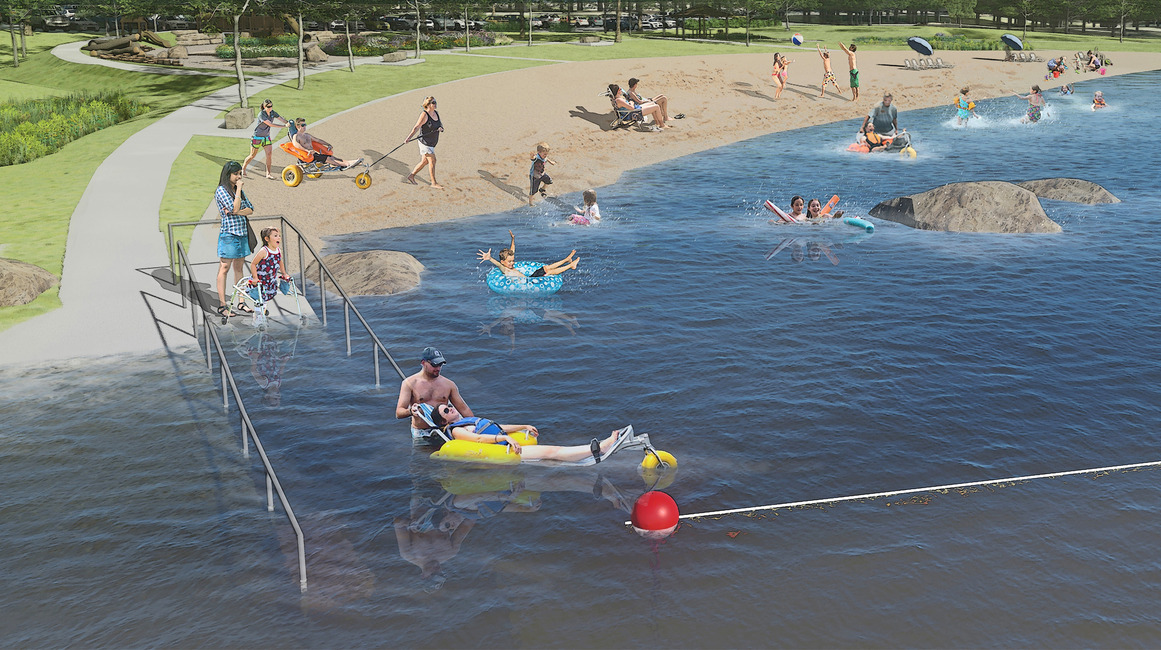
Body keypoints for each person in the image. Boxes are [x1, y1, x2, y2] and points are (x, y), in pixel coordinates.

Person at [429, 402, 634, 463]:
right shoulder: (457, 431)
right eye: (446, 410)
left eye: (449, 405)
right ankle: (599, 447)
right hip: (505, 450)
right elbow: (480, 438)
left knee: (551, 452)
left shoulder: (468, 420)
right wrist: (505, 438)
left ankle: (595, 448)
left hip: (506, 442)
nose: (451, 408)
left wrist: (522, 426)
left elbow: (496, 427)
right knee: (552, 451)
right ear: (444, 421)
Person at [395, 346, 474, 442]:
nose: (438, 368)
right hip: (422, 432)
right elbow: (399, 413)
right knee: (423, 457)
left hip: (444, 429)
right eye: (434, 365)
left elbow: (464, 409)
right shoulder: (409, 383)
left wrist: (475, 425)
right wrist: (411, 411)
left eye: (440, 365)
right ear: (423, 363)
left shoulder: (449, 384)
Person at [214, 160, 253, 319]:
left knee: (239, 268)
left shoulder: (238, 191)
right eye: (236, 174)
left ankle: (241, 301)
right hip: (229, 235)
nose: (238, 177)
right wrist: (239, 192)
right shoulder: (222, 191)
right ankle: (222, 305)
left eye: (240, 174)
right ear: (228, 174)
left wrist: (237, 211)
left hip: (242, 234)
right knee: (224, 268)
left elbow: (250, 209)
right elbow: (235, 208)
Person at [477, 229, 578, 278]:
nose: (512, 263)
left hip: (529, 278)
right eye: (509, 262)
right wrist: (490, 258)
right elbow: (498, 264)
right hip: (530, 282)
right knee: (548, 271)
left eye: (512, 261)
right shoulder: (504, 269)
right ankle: (570, 265)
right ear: (503, 262)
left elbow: (512, 251)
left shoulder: (509, 265)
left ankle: (566, 260)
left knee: (546, 268)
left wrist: (513, 239)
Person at [241, 98, 289, 180]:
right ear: (264, 106)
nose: (270, 108)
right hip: (257, 137)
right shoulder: (261, 114)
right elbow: (270, 124)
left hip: (266, 137)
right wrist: (284, 126)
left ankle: (268, 174)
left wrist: (288, 123)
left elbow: (282, 119)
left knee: (269, 154)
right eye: (268, 106)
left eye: (271, 106)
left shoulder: (273, 113)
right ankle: (243, 168)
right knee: (252, 155)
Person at [403, 96, 444, 188]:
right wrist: (408, 138)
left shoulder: (436, 113)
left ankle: (411, 176)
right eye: (433, 103)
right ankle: (434, 183)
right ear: (428, 105)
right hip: (425, 143)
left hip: (432, 143)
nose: (435, 104)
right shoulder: (424, 115)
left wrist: (440, 128)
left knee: (424, 161)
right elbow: (416, 127)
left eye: (435, 102)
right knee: (432, 161)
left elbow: (439, 124)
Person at [291, 118, 361, 169]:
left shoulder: (307, 135)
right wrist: (307, 151)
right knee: (328, 159)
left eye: (305, 124)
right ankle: (347, 164)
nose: (305, 127)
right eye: (302, 125)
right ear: (297, 126)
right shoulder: (296, 136)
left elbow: (318, 140)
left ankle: (351, 162)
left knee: (332, 157)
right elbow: (297, 145)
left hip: (313, 155)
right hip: (306, 156)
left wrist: (328, 144)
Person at [247, 226, 291, 303]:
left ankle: (262, 311)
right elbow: (253, 264)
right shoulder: (264, 251)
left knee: (267, 297)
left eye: (279, 236)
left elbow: (280, 261)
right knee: (259, 299)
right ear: (267, 239)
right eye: (275, 236)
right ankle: (259, 313)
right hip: (261, 280)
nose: (278, 238)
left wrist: (284, 273)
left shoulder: (278, 250)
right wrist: (255, 278)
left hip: (270, 280)